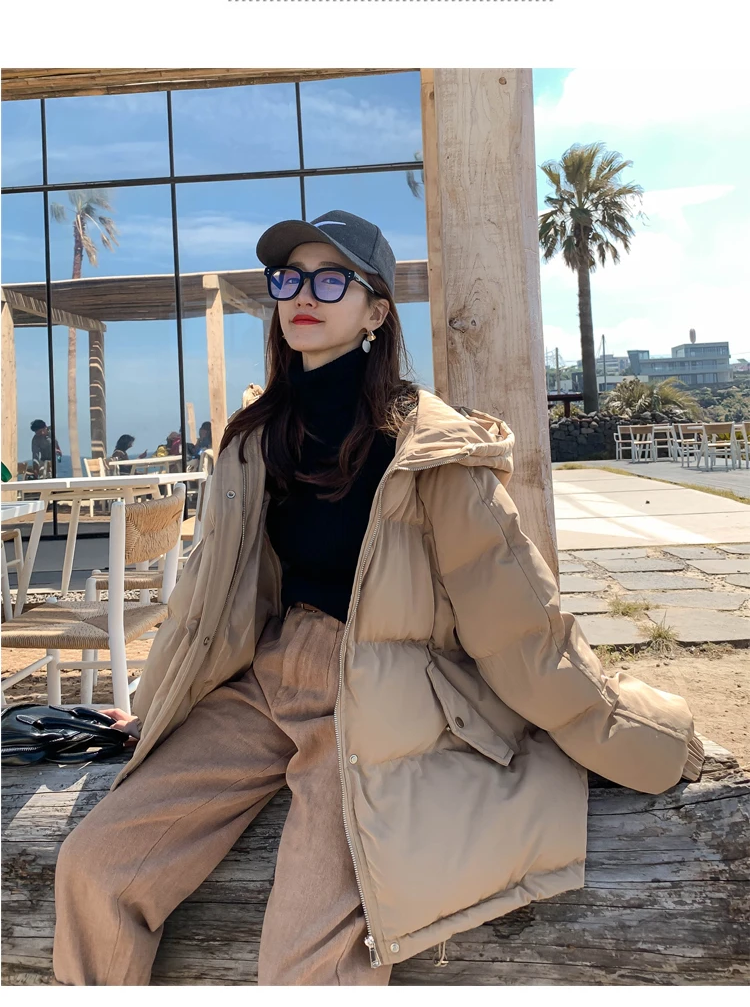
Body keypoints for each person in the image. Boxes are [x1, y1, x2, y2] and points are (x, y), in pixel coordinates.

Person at [52, 209, 706, 987]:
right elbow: (204, 605)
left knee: (306, 962)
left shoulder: (431, 449)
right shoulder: (255, 439)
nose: (304, 295)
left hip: (378, 694)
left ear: (376, 312)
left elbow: (521, 625)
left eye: (333, 280)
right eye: (289, 278)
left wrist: (646, 740)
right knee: (93, 867)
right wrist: (154, 710)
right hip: (263, 682)